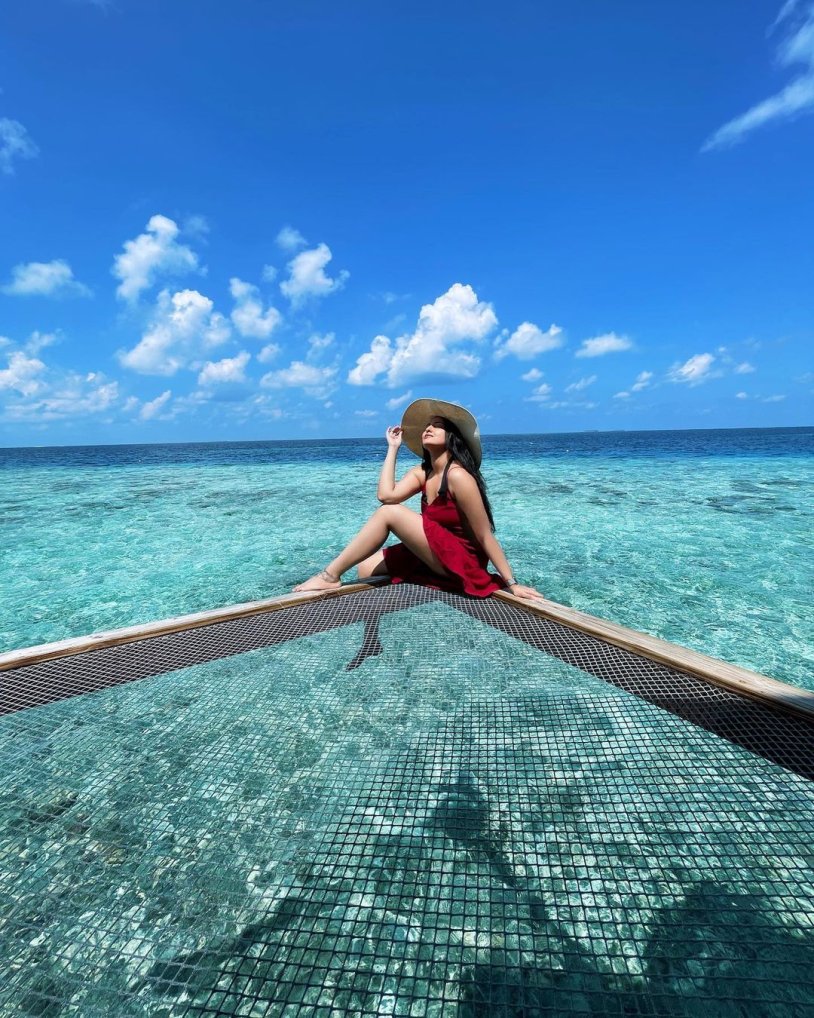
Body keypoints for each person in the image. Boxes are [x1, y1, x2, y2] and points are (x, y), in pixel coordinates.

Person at [293, 397, 542, 600]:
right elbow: (385, 495)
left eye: (437, 425)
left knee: (390, 513)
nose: (428, 428)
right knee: (365, 568)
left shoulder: (458, 476)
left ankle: (329, 576)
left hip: (463, 561)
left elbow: (484, 535)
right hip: (435, 552)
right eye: (427, 426)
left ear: (453, 437)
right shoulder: (423, 473)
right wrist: (393, 449)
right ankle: (373, 636)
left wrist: (512, 583)